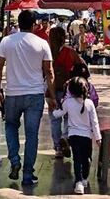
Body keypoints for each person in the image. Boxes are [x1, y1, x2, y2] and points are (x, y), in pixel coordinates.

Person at [0, 10, 55, 186]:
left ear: (18, 24)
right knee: (32, 134)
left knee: (11, 126)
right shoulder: (42, 43)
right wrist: (52, 95)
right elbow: (49, 72)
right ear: (34, 25)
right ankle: (28, 174)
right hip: (35, 95)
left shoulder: (6, 41)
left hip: (13, 94)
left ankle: (14, 160)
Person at [52, 76, 101, 195]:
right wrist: (98, 137)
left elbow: (59, 114)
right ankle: (84, 178)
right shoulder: (89, 103)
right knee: (86, 158)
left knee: (77, 159)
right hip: (87, 137)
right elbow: (94, 122)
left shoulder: (68, 102)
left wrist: (53, 111)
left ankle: (78, 182)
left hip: (73, 136)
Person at [49, 26, 83, 158]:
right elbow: (81, 67)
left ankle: (58, 148)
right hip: (69, 90)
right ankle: (65, 138)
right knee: (69, 117)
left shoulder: (47, 53)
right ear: (64, 38)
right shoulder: (70, 52)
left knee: (54, 119)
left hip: (51, 89)